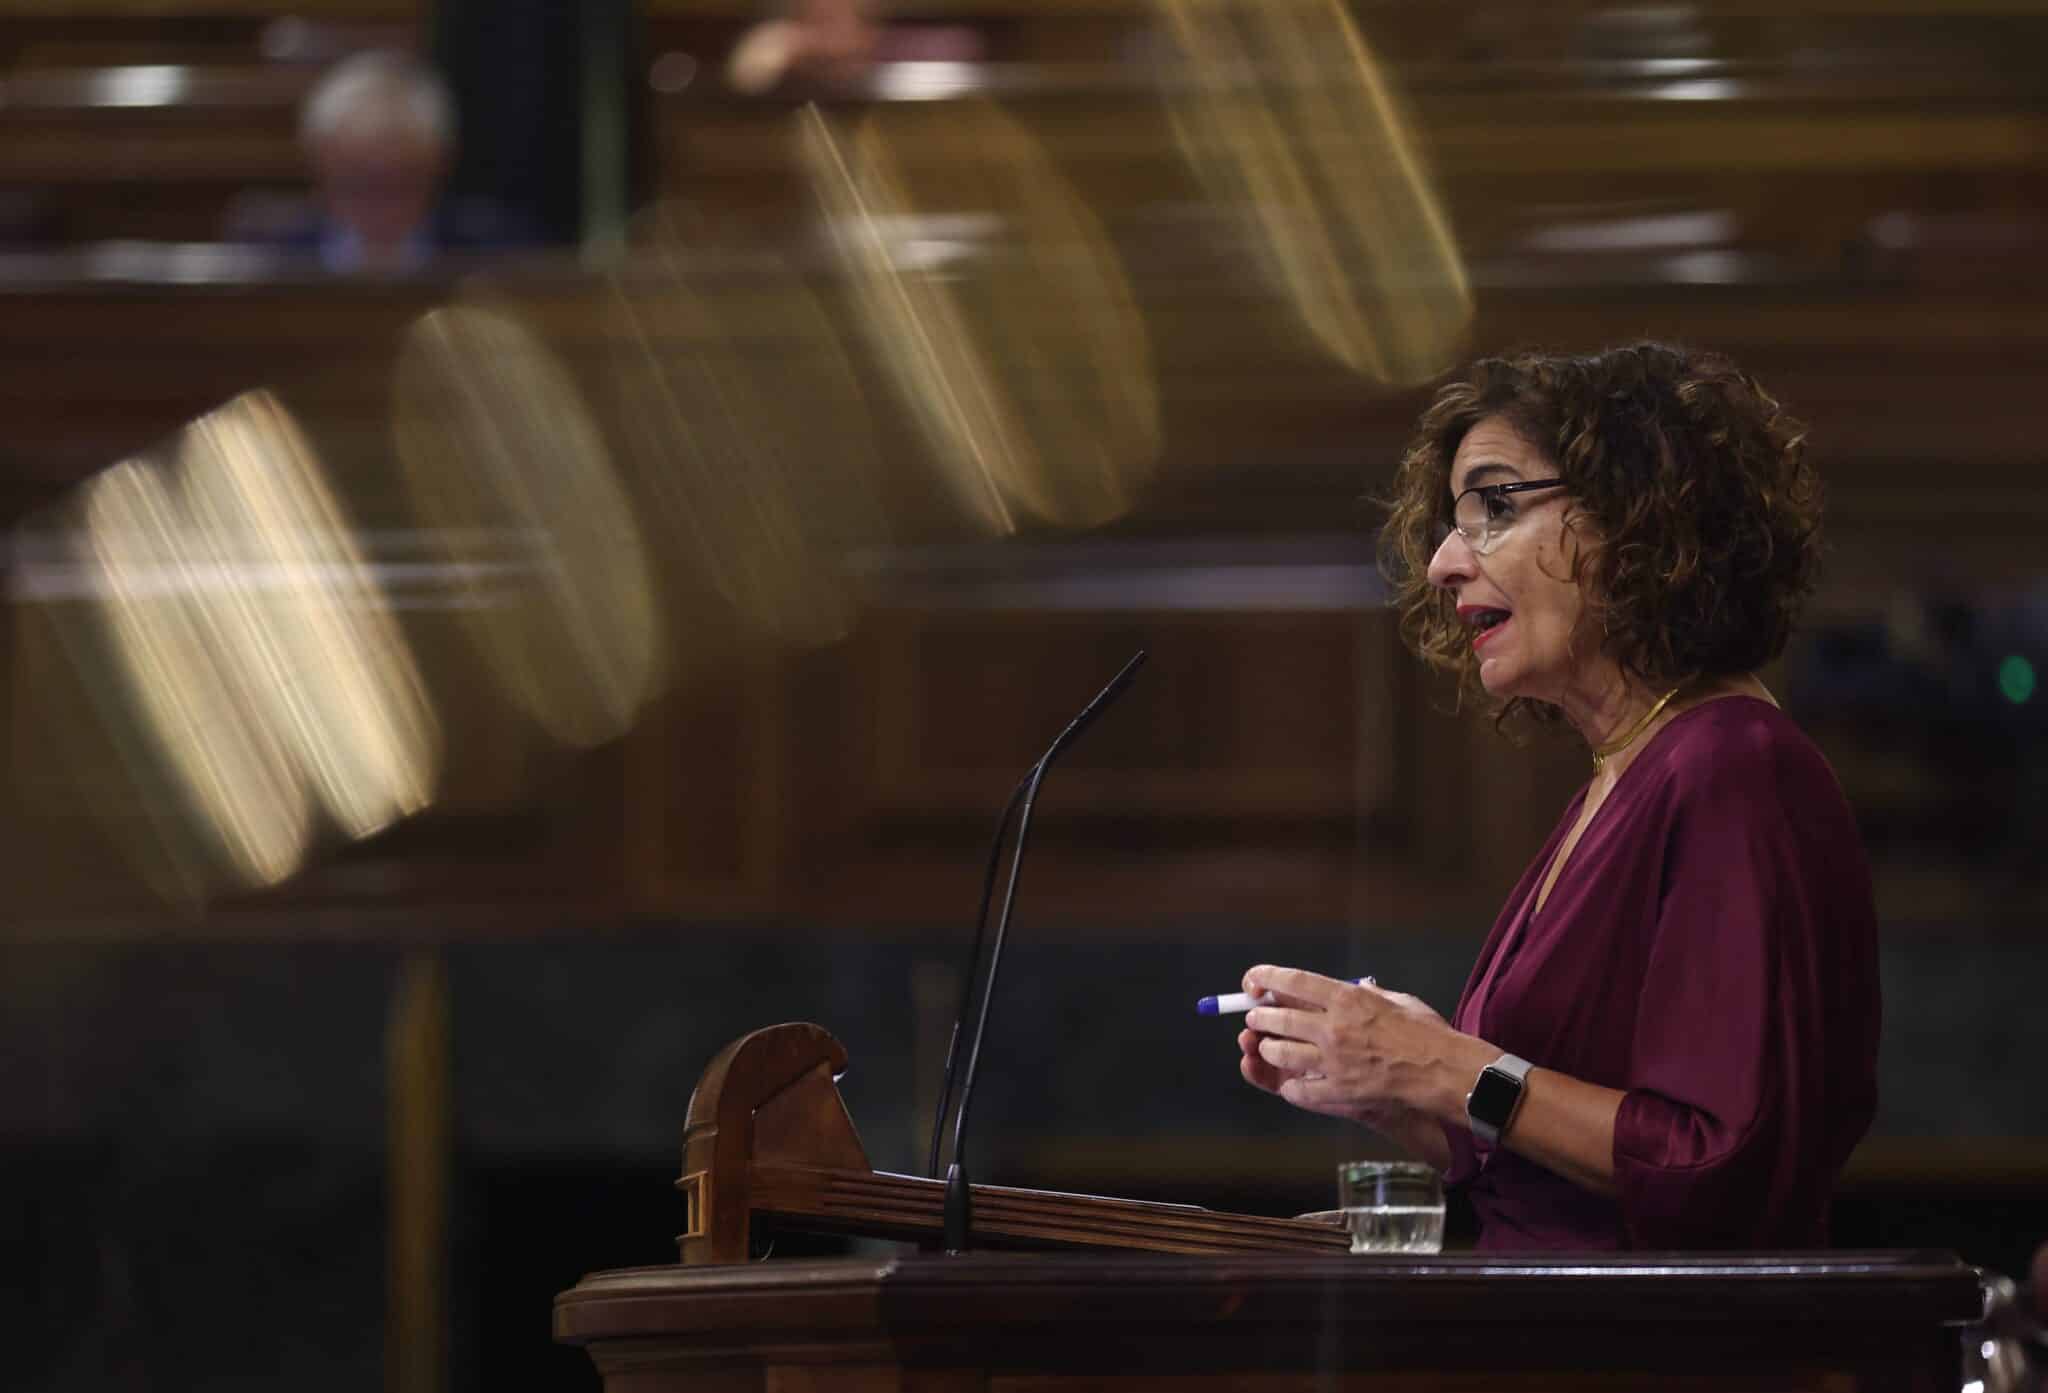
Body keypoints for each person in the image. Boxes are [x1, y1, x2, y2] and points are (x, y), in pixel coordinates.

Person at [1237, 343, 1880, 1250]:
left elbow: (1718, 1160)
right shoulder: (1619, 780)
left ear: (1639, 523)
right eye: (1452, 523)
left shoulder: (1737, 767)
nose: (1443, 564)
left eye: (1494, 506)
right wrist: (1397, 1083)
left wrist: (1448, 1066)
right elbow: (1544, 1167)